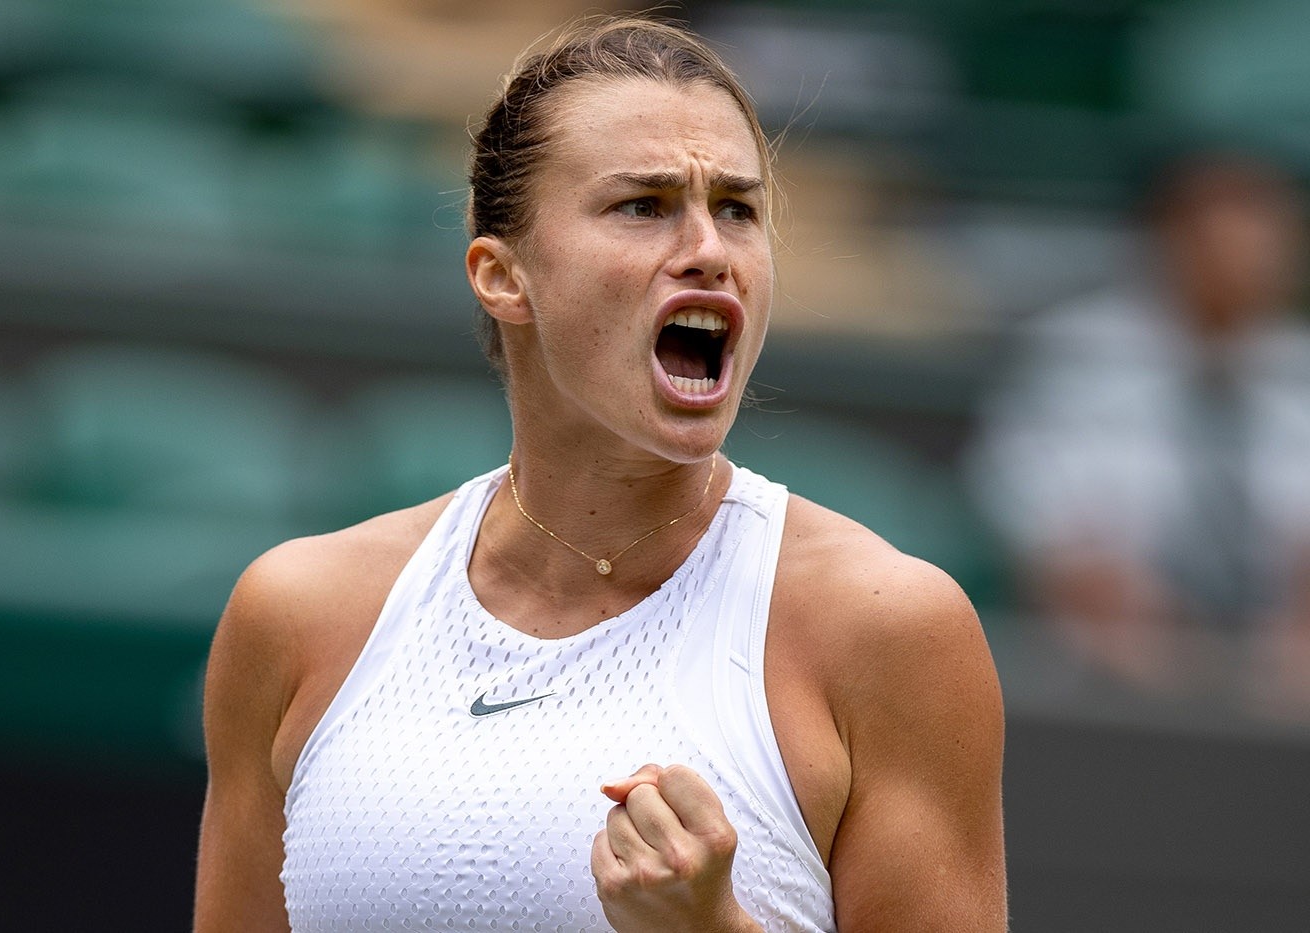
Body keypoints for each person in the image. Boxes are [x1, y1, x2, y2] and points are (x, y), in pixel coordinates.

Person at [194, 15, 1006, 932]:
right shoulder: (295, 615)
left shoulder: (891, 629)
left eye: (737, 209)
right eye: (644, 206)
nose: (710, 251)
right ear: (503, 276)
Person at [967, 149, 1310, 711]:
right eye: (1222, 236)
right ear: (1171, 240)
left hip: (1274, 666)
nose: (1249, 258)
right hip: (1104, 656)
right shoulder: (1078, 350)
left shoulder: (1298, 366)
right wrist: (1159, 651)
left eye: (1268, 238)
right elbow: (1033, 514)